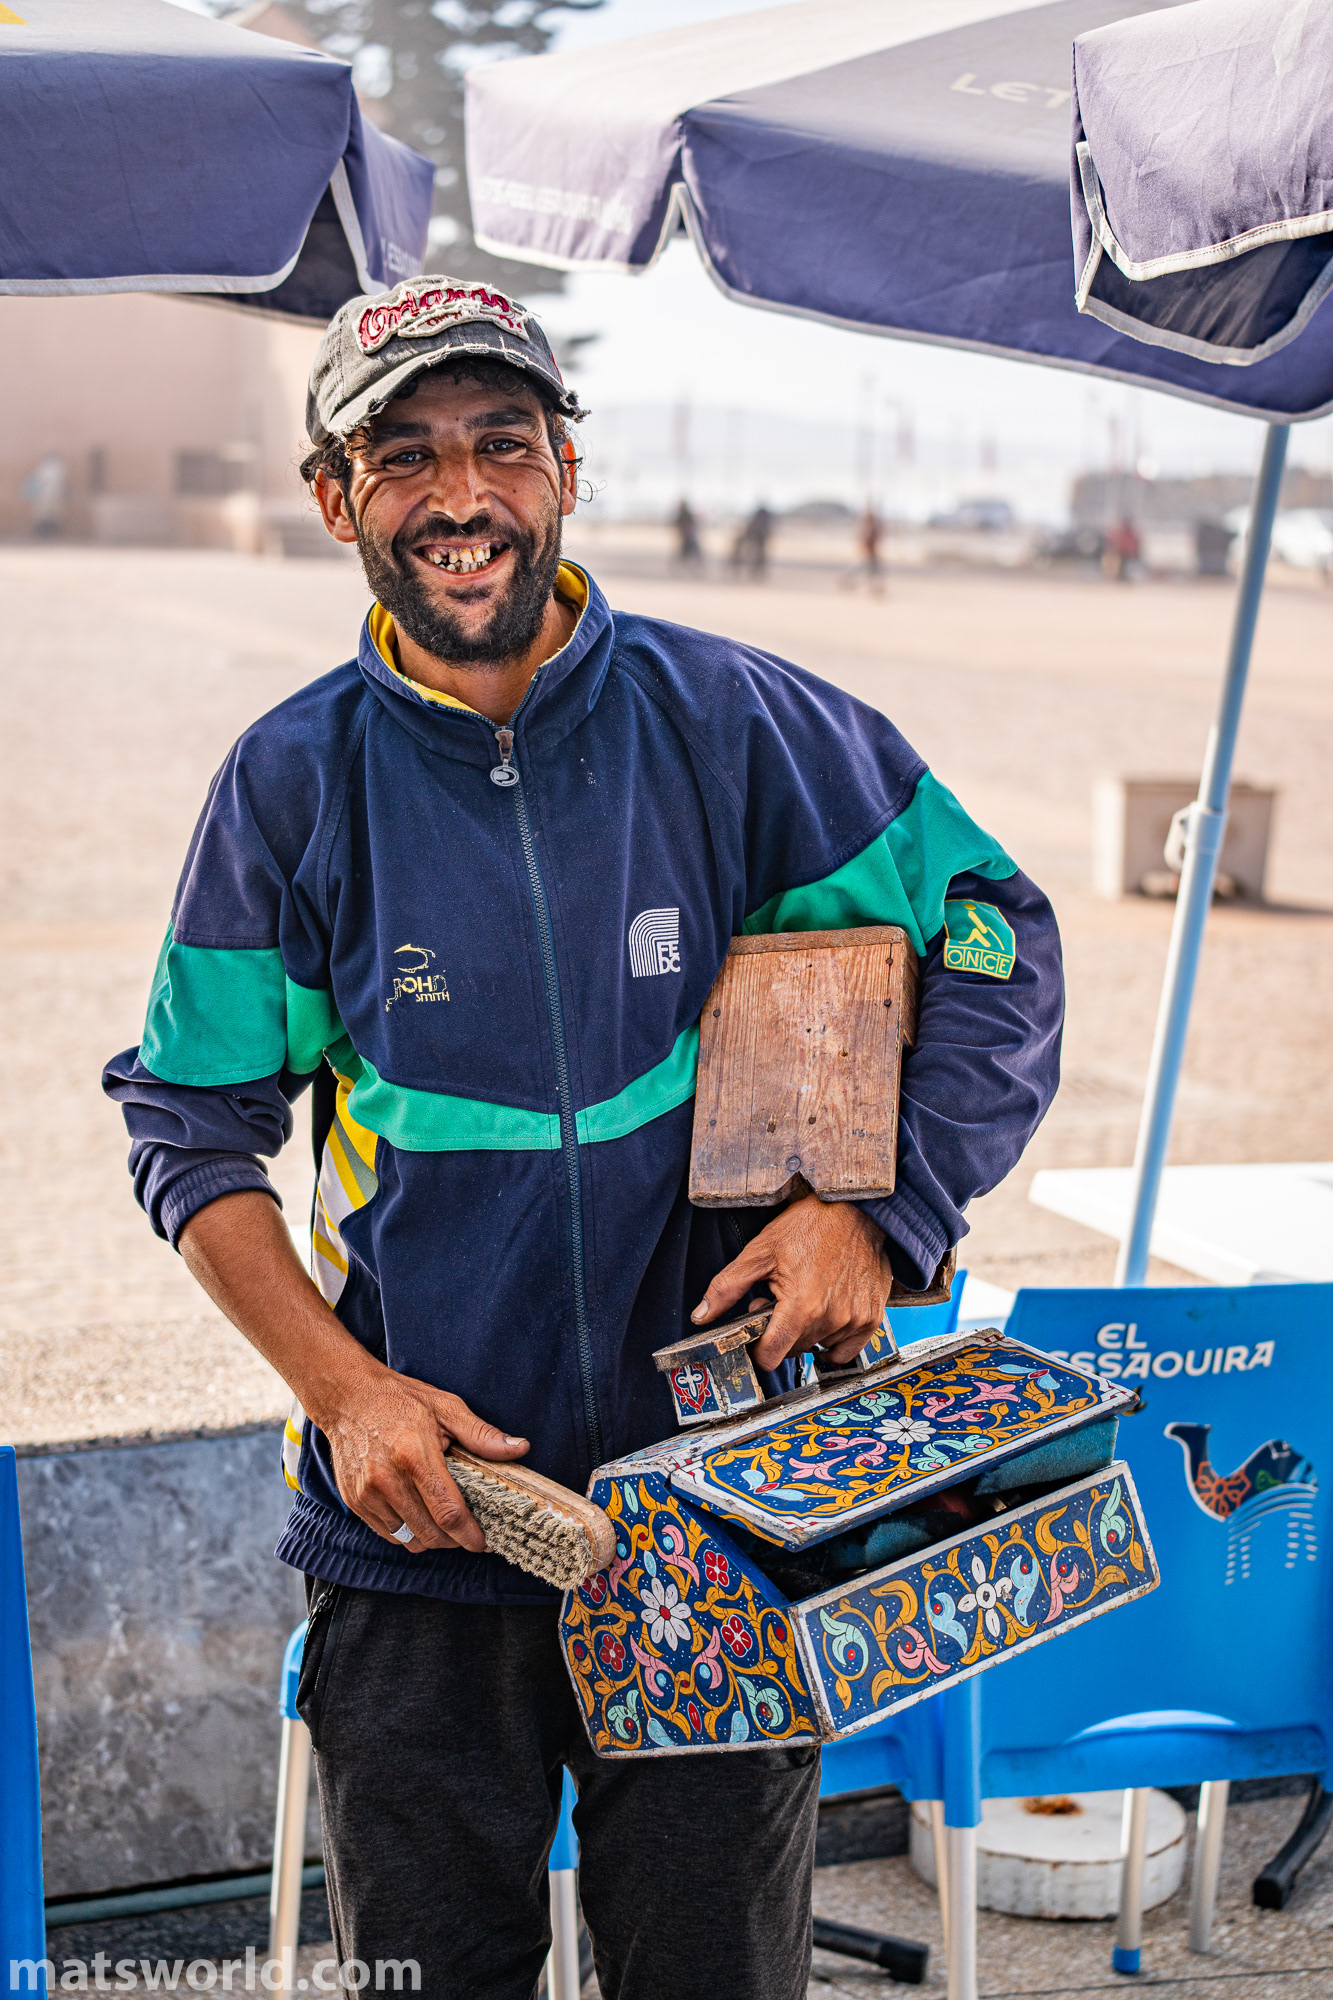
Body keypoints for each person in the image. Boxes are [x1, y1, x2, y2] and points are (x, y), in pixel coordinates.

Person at [104, 276, 1064, 2000]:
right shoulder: (290, 786)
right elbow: (188, 1119)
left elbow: (990, 933)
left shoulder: (740, 725)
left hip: (716, 1522)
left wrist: (885, 1212)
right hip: (420, 1528)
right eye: (402, 458)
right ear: (335, 500)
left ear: (566, 470)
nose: (459, 496)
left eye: (502, 445)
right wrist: (347, 1394)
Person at [22, 452, 68, 536]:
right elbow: (36, 480)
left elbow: (62, 482)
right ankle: (43, 533)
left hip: (54, 495)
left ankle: (51, 532)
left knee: (53, 514)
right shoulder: (42, 468)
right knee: (42, 514)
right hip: (43, 496)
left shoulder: (59, 468)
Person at [671, 495, 703, 569]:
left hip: (685, 535)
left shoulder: (682, 514)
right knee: (693, 550)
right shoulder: (684, 514)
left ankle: (694, 564)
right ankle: (696, 564)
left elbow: (677, 524)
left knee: (687, 551)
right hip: (687, 536)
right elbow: (692, 524)